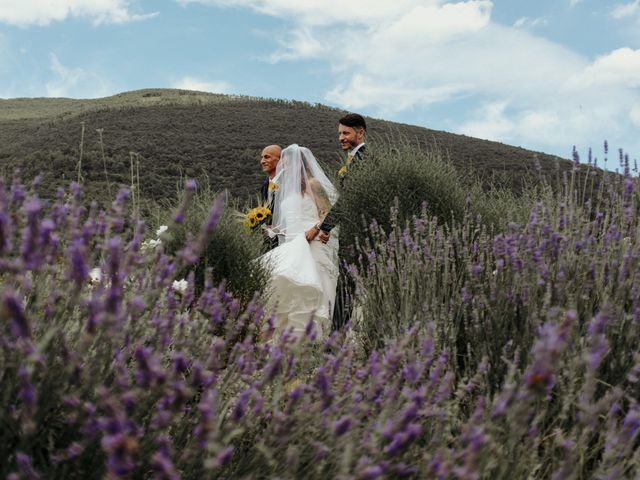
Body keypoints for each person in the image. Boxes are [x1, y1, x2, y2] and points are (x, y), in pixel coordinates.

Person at [260, 144, 339, 340]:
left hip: (312, 242)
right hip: (291, 243)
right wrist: (276, 230)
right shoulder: (285, 191)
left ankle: (318, 336)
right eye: (284, 165)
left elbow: (326, 212)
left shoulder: (313, 184)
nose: (285, 169)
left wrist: (314, 230)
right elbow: (290, 218)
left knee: (315, 284)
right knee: (287, 285)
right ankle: (291, 337)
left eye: (288, 165)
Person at [317, 113, 367, 329]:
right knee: (345, 286)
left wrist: (325, 226)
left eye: (346, 133)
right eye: (339, 133)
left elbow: (350, 198)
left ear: (361, 132)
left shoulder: (364, 157)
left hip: (358, 233)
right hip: (351, 231)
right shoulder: (353, 159)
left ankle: (335, 343)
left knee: (346, 287)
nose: (341, 137)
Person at [259, 144, 282, 251]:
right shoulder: (264, 185)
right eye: (262, 157)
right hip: (268, 242)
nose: (262, 161)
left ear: (279, 160)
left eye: (267, 157)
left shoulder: (288, 183)